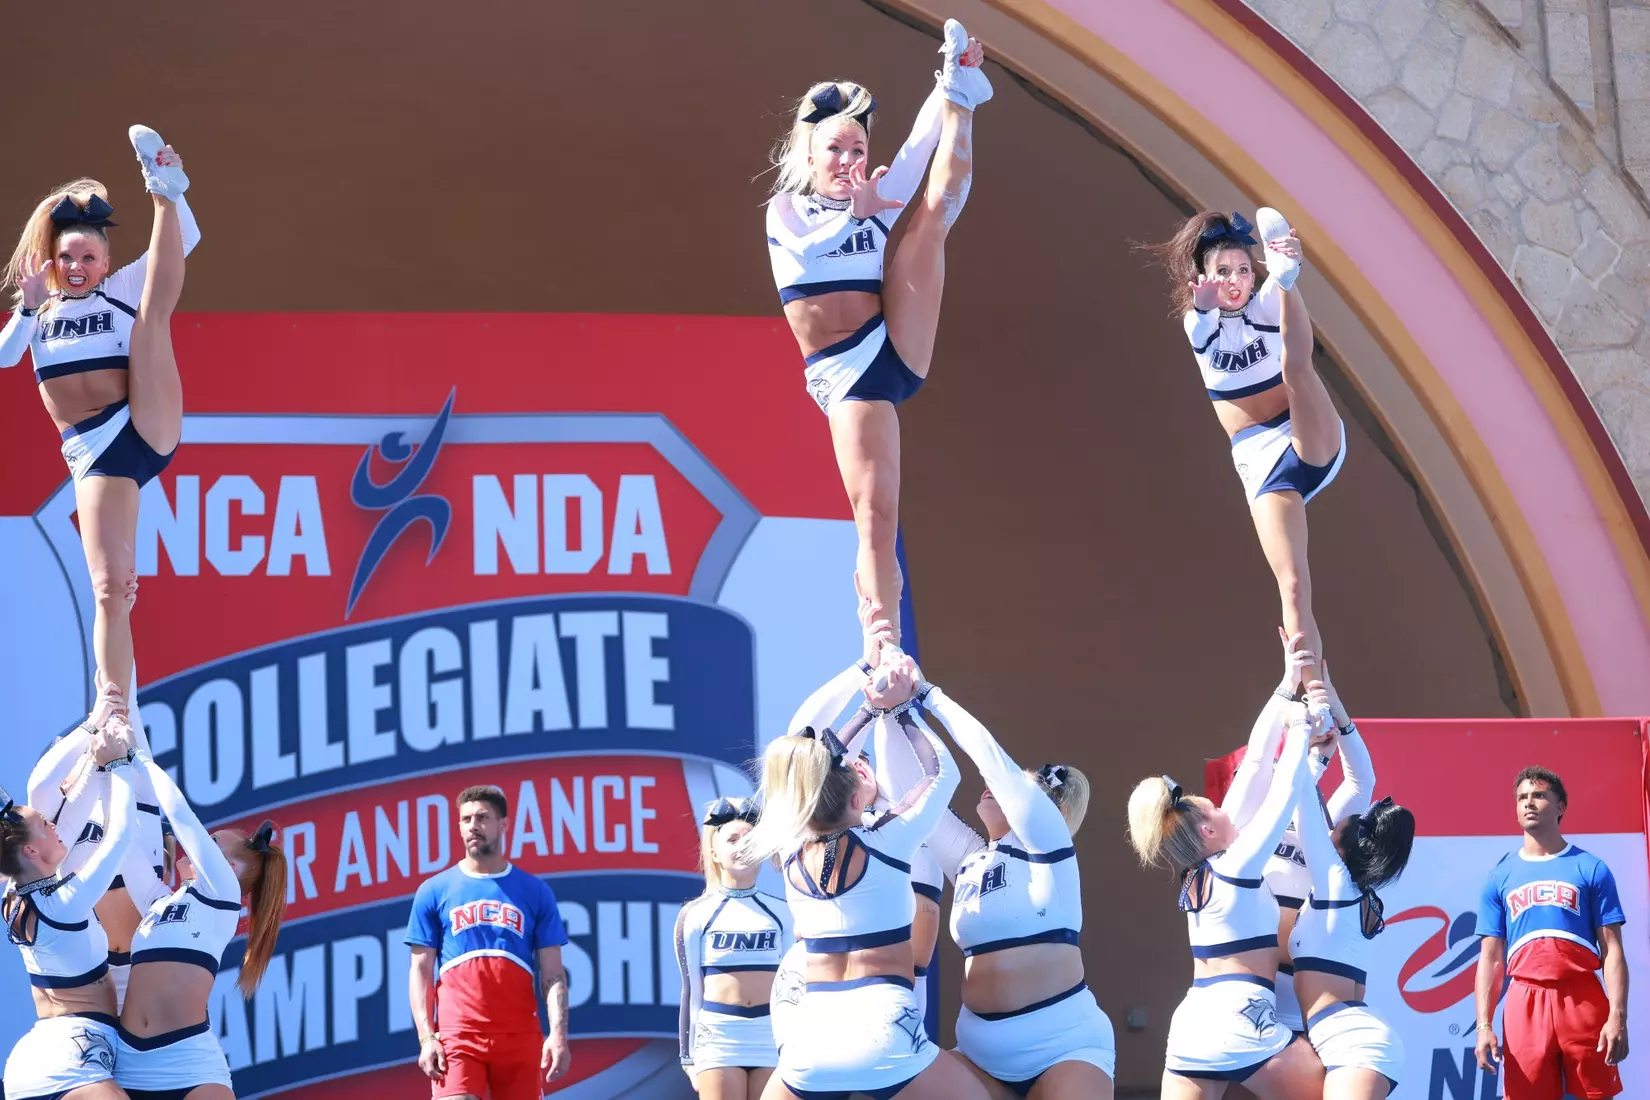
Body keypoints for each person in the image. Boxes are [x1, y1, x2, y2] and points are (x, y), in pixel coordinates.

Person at [765, 19, 991, 651]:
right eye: (835, 149)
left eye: (858, 150)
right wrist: (858, 217)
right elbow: (808, 251)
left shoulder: (871, 194)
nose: (847, 162)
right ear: (808, 153)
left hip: (894, 336)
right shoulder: (788, 211)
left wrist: (945, 82)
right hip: (847, 372)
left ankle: (967, 92)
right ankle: (882, 639)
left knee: (932, 216)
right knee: (876, 515)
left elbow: (918, 147)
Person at [1, 126, 196, 702]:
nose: (79, 265)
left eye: (90, 256)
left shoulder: (121, 290)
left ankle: (159, 185)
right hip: (95, 453)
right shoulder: (39, 312)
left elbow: (184, 242)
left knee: (151, 319)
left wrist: (175, 198)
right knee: (111, 587)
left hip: (145, 421)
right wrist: (29, 306)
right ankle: (112, 705)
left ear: (107, 260)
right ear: (54, 263)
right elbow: (6, 357)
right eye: (69, 258)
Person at [741, 653, 987, 1100]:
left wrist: (865, 711)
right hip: (883, 1031)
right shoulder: (890, 839)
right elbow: (942, 774)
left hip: (809, 1039)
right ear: (857, 801)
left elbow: (805, 757)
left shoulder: (789, 844)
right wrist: (901, 711)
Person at [1150, 209, 1342, 679]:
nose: (1235, 281)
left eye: (1242, 270)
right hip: (1261, 462)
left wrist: (1281, 278)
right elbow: (1198, 317)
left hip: (1307, 434)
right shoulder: (1200, 326)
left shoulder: (1261, 305)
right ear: (1203, 279)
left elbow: (1270, 299)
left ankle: (1289, 270)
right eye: (1223, 272)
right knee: (1293, 585)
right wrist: (1203, 301)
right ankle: (1312, 691)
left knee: (1297, 367)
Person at [914, 694, 1116, 1099]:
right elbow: (914, 789)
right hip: (978, 1059)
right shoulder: (972, 858)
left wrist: (928, 695)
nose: (991, 785)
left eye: (1011, 786)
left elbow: (992, 760)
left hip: (1066, 1051)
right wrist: (892, 711)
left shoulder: (1049, 850)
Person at [1127, 698, 1326, 1098]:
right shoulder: (1236, 864)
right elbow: (1281, 794)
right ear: (1206, 832)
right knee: (1344, 1088)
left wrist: (1287, 688)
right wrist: (1301, 729)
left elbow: (1255, 765)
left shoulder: (1197, 871)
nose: (1227, 810)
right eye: (1217, 808)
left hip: (1191, 1025)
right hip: (1241, 1017)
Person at [111, 710, 288, 1100]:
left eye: (212, 841)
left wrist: (138, 759)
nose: (199, 843)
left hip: (188, 1065)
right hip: (130, 1065)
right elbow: (119, 842)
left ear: (229, 866)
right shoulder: (158, 902)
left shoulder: (221, 894)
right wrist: (115, 763)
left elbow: (180, 813)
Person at [1286, 679, 1414, 1100]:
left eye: (1341, 823)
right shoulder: (1351, 886)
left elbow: (1303, 799)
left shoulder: (1336, 879)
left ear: (1342, 841)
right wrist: (1338, 714)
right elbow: (1363, 782)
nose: (1336, 818)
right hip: (1343, 1039)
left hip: (1352, 1043)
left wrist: (1308, 742)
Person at [1474, 766, 1629, 1100]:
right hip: (1524, 1000)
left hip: (1582, 997)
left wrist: (1617, 1015)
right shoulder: (1499, 876)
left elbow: (1613, 950)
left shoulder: (1591, 869)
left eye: (1539, 795)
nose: (1529, 803)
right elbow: (1490, 958)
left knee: (1595, 1095)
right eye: (1522, 797)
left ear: (1560, 807)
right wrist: (1484, 1026)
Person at [408, 785, 571, 1100]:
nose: (473, 825)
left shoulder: (535, 892)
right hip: (458, 1036)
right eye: (466, 819)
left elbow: (553, 973)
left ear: (504, 824)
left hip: (519, 1037)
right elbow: (420, 970)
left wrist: (558, 1035)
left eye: (482, 817)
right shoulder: (434, 890)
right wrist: (427, 1037)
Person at [2, 719, 134, 1100]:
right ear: (30, 850)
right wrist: (120, 764)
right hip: (71, 1059)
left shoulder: (15, 893)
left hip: (42, 1059)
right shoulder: (64, 901)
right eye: (45, 823)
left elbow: (71, 817)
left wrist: (95, 749)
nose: (55, 824)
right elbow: (120, 835)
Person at [28, 669, 167, 1012]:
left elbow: (127, 695)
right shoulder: (54, 830)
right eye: (75, 760)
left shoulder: (137, 789)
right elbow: (40, 788)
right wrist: (92, 727)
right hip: (92, 980)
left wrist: (112, 683)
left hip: (147, 968)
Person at [677, 796, 793, 1099]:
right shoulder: (695, 915)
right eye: (732, 839)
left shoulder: (784, 913)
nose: (741, 846)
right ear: (715, 853)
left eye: (749, 839)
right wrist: (688, 1058)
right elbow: (691, 990)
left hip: (772, 1036)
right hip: (719, 1038)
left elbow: (796, 987)